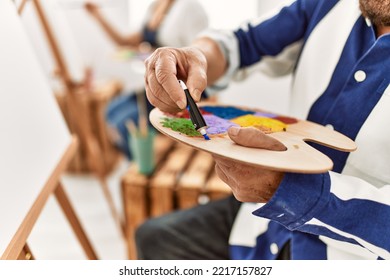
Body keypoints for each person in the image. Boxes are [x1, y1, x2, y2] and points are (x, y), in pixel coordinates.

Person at [136, 0, 390, 260]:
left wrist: (292, 191)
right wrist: (194, 58)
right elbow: (244, 42)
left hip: (349, 256)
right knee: (154, 238)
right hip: (262, 227)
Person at [84, 0, 209, 159]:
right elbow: (125, 42)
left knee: (123, 125)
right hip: (157, 85)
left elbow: (200, 55)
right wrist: (97, 15)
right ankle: (140, 162)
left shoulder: (190, 8)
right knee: (111, 111)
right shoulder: (154, 7)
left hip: (180, 90)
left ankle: (145, 165)